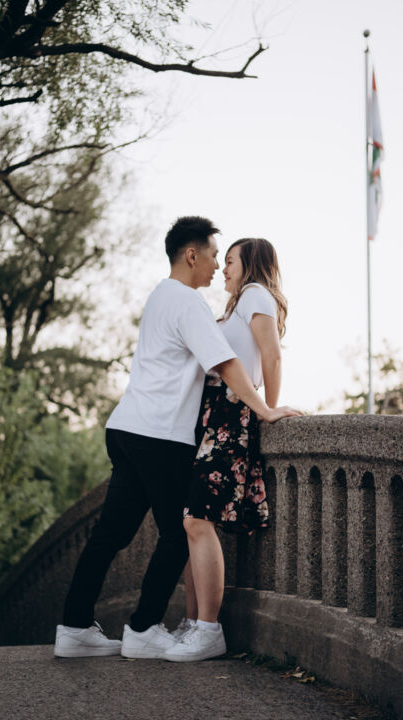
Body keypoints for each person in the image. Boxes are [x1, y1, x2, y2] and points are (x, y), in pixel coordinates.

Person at [54, 218, 299, 659]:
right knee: (177, 532)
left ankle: (73, 627)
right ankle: (144, 628)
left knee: (110, 535)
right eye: (213, 256)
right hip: (160, 435)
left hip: (125, 426)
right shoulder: (189, 303)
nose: (216, 267)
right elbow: (226, 363)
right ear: (191, 255)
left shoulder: (159, 296)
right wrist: (265, 409)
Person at [165, 237, 292, 663]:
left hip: (231, 411)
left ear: (251, 264)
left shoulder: (255, 294)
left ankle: (208, 629)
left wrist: (267, 410)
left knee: (198, 518)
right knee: (191, 520)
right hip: (208, 414)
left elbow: (272, 356)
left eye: (231, 260)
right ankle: (192, 624)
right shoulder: (235, 306)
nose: (223, 268)